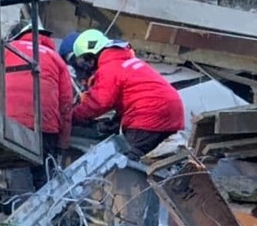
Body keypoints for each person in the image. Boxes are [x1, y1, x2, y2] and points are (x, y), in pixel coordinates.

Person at [71, 29, 185, 159]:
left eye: (85, 62)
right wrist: (117, 121)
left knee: (127, 161)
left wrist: (72, 117)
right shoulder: (127, 61)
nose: (87, 67)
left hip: (148, 115)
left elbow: (99, 102)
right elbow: (133, 94)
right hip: (173, 111)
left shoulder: (109, 68)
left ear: (91, 56)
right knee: (157, 161)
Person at [0, 21, 73, 192]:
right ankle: (47, 211)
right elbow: (66, 103)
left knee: (18, 166)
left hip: (11, 122)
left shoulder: (5, 51)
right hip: (46, 125)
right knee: (45, 174)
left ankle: (20, 209)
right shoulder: (55, 57)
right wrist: (63, 142)